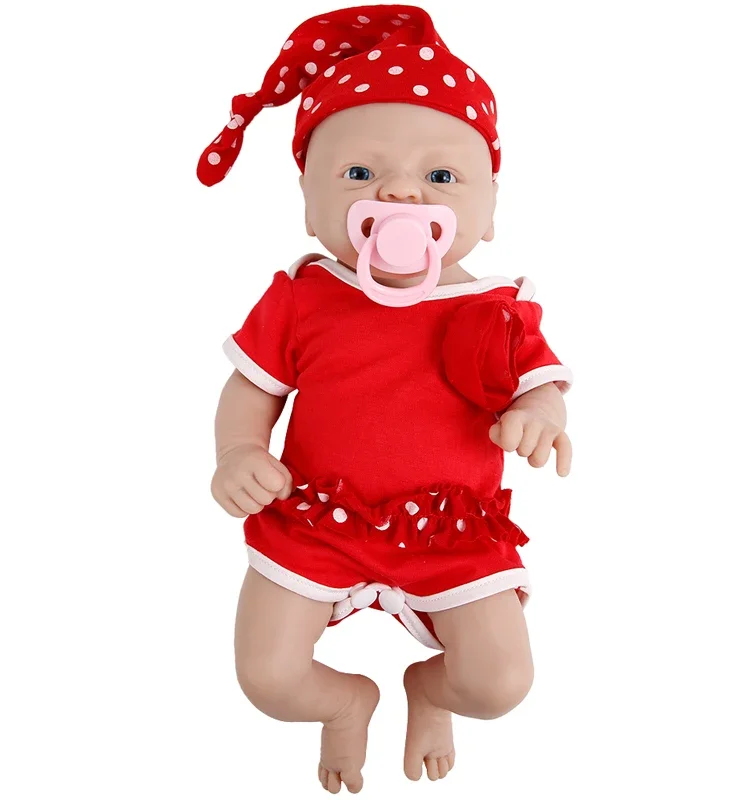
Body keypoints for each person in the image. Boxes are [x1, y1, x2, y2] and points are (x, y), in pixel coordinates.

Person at [199, 5, 573, 793]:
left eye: (441, 177)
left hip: (452, 528)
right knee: (267, 676)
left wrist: (539, 417)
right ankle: (344, 703)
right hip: (316, 515)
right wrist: (238, 451)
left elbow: (542, 383)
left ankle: (431, 690)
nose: (400, 192)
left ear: (490, 208)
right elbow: (250, 387)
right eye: (359, 174)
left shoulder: (498, 309)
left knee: (500, 683)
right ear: (309, 201)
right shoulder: (304, 296)